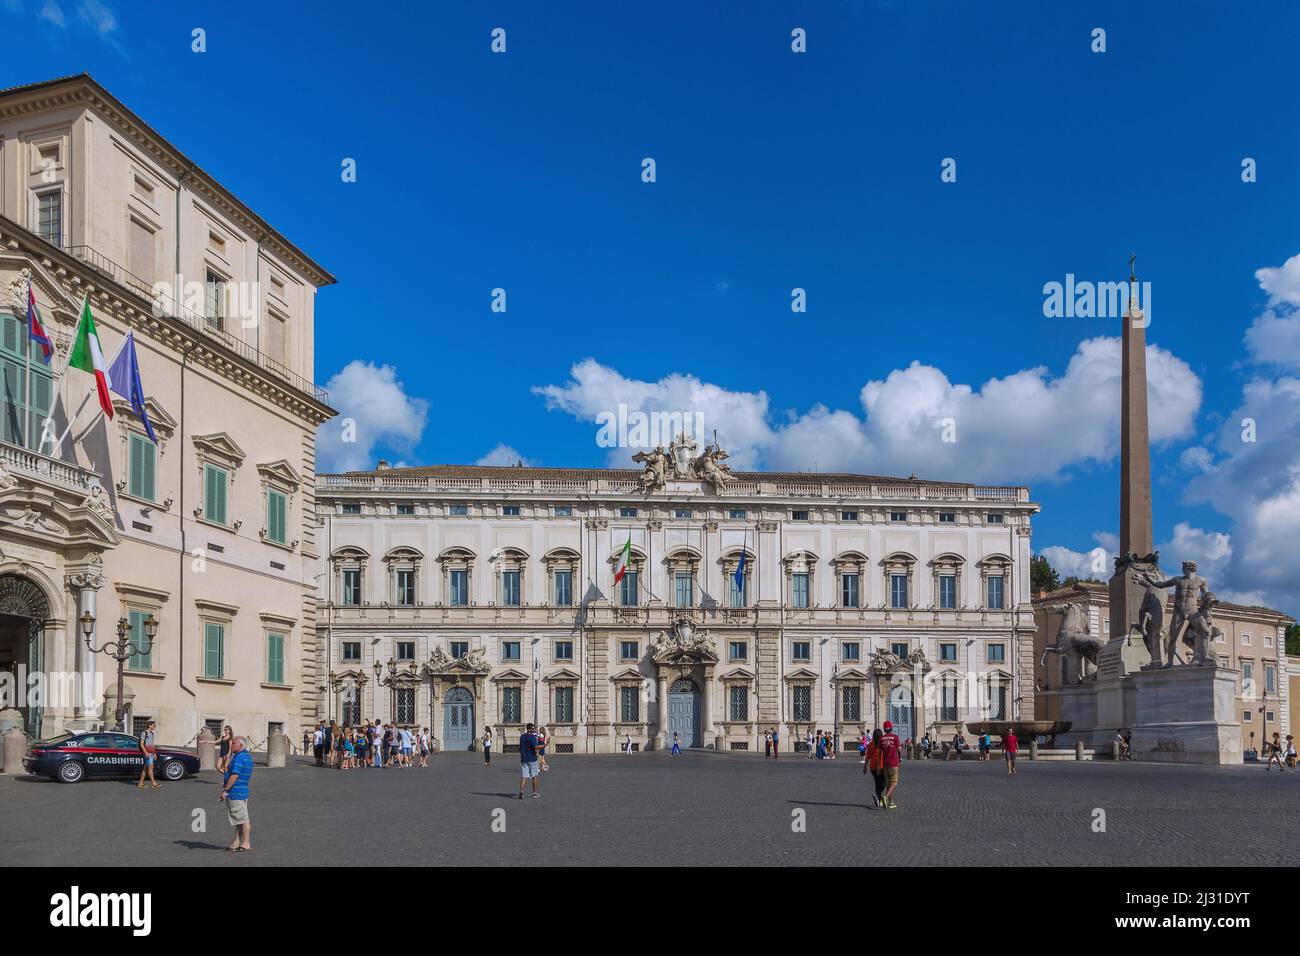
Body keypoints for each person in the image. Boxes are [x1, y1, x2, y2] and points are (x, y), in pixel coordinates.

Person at [219, 735, 254, 852]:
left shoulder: (239, 758)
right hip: (242, 790)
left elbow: (234, 776)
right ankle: (236, 842)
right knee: (239, 819)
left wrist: (225, 790)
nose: (231, 744)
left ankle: (246, 843)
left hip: (236, 792)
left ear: (241, 745)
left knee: (243, 819)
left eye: (233, 743)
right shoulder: (245, 756)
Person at [879, 720, 901, 809]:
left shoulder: (881, 738)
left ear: (884, 729)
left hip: (885, 763)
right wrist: (900, 758)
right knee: (894, 782)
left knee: (888, 783)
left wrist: (878, 764)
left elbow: (880, 752)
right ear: (891, 728)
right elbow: (899, 749)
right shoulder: (895, 737)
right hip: (893, 762)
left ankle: (890, 802)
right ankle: (886, 796)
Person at [518, 723, 542, 799]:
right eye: (533, 728)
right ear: (529, 729)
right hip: (532, 759)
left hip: (524, 759)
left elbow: (520, 747)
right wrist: (545, 745)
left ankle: (521, 791)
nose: (534, 730)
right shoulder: (531, 737)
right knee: (535, 776)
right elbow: (536, 747)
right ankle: (534, 793)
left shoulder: (522, 736)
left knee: (524, 776)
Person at [863, 728, 886, 808]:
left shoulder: (871, 744)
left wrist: (865, 767)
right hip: (881, 766)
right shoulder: (882, 744)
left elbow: (867, 757)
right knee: (884, 783)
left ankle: (878, 799)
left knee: (877, 783)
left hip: (872, 766)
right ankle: (877, 795)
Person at [137, 719, 160, 790]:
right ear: (149, 725)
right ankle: (154, 783)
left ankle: (140, 783)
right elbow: (141, 744)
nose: (154, 727)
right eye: (154, 725)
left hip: (151, 753)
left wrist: (155, 753)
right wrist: (146, 753)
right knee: (151, 767)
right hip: (147, 753)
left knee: (145, 768)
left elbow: (152, 744)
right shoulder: (144, 733)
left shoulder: (152, 734)